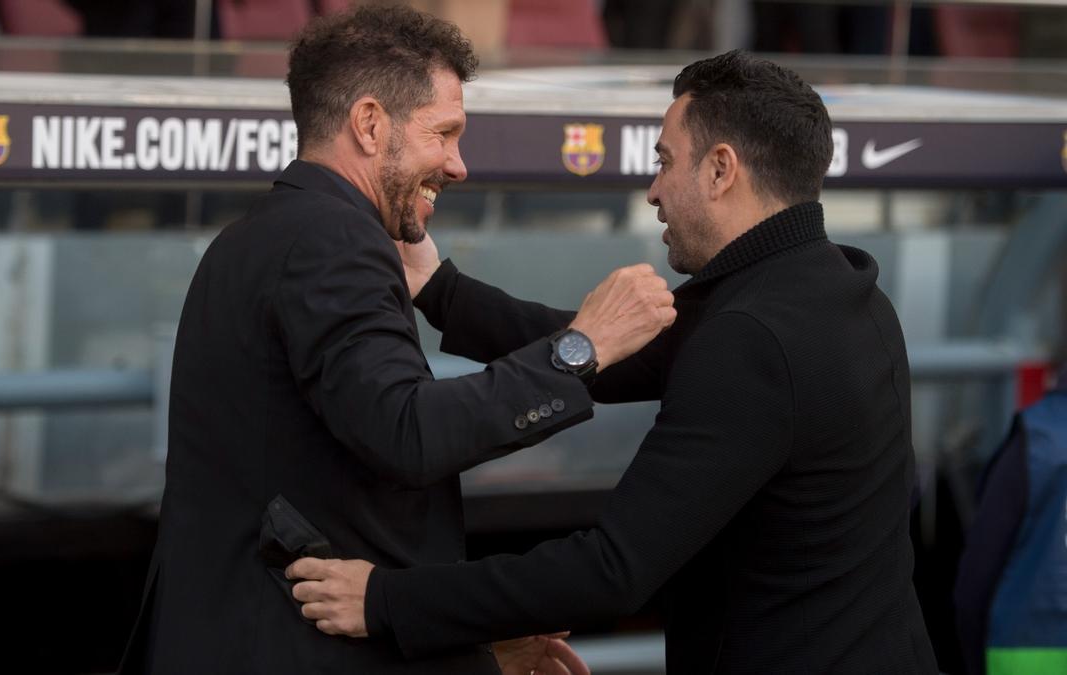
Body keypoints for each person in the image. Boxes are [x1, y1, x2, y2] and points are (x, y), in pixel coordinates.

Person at [287, 50, 939, 673]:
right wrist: (442, 290)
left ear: (720, 170)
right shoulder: (837, 289)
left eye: (665, 162)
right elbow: (616, 349)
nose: (653, 189)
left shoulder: (752, 338)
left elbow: (612, 569)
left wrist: (386, 601)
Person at [118, 5, 676, 674]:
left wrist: (469, 649)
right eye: (444, 133)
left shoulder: (260, 235)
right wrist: (580, 348)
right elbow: (407, 431)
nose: (458, 165)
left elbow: (333, 495)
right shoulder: (332, 239)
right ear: (370, 123)